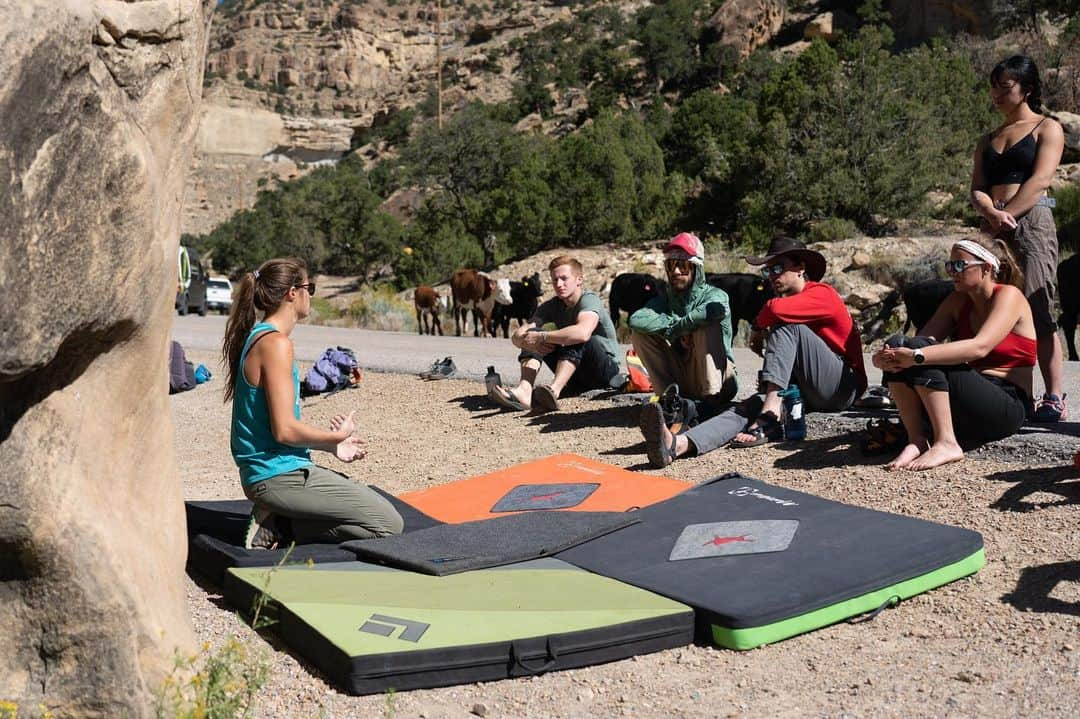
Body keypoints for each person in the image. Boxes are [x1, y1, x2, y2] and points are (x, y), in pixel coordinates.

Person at [222, 258, 403, 549]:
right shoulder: (276, 344)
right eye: (310, 288)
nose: (311, 295)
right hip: (275, 476)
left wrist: (330, 446)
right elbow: (284, 431)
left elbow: (276, 428)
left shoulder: (261, 337)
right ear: (292, 293)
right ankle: (281, 524)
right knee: (387, 525)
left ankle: (283, 518)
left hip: (274, 472)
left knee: (372, 512)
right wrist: (334, 437)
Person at [638, 237, 866, 467]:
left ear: (800, 268)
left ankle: (770, 416)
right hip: (807, 388)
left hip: (843, 386)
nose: (772, 276)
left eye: (778, 268)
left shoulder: (822, 293)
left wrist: (757, 328)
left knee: (785, 324)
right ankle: (678, 444)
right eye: (768, 271)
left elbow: (774, 309)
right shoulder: (791, 303)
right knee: (744, 409)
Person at [872, 238, 1035, 471]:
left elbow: (981, 346)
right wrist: (886, 356)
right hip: (969, 400)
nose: (952, 272)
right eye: (949, 266)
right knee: (898, 342)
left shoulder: (1009, 295)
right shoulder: (957, 300)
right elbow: (920, 342)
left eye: (959, 265)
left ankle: (947, 442)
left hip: (1007, 404)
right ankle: (916, 439)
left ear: (987, 267)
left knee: (919, 351)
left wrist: (916, 355)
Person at [970, 55, 1066, 421]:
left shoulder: (1047, 128)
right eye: (994, 86)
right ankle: (1006, 388)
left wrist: (1007, 215)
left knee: (1038, 306)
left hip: (1032, 221)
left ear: (1026, 89)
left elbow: (1040, 180)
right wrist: (991, 214)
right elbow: (977, 188)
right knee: (985, 303)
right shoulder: (987, 138)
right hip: (992, 224)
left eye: (1005, 86)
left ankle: (1054, 394)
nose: (996, 93)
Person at [488, 255, 622, 413]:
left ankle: (553, 391)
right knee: (535, 333)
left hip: (605, 371)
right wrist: (529, 340)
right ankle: (525, 391)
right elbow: (518, 335)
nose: (559, 284)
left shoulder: (589, 300)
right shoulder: (552, 305)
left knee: (574, 336)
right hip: (576, 375)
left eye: (564, 279)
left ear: (579, 279)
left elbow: (582, 333)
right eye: (555, 280)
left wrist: (543, 337)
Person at [628, 232, 738, 425]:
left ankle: (710, 403)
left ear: (697, 268)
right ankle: (669, 399)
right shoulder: (664, 300)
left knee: (705, 327)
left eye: (683, 265)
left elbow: (712, 312)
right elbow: (636, 319)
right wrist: (675, 327)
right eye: (671, 265)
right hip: (684, 377)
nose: (676, 272)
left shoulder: (716, 295)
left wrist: (683, 327)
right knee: (640, 334)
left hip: (720, 380)